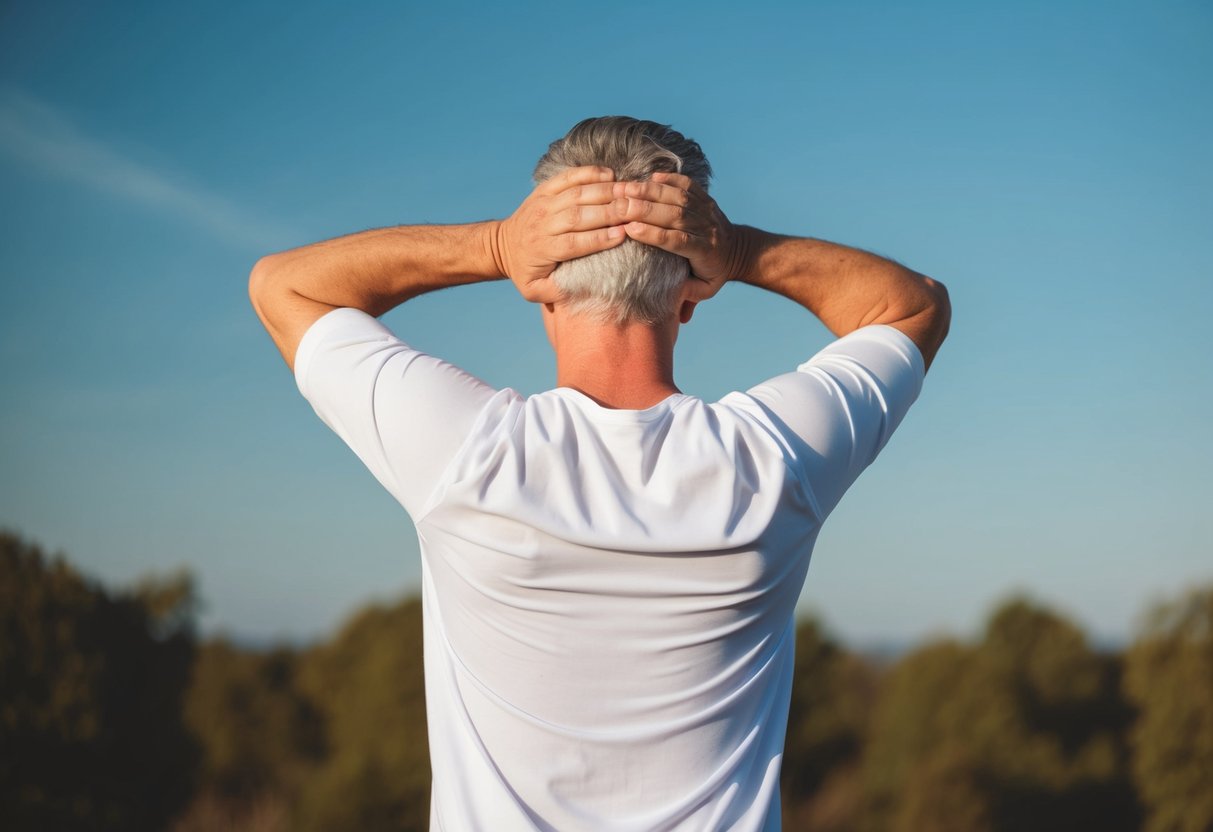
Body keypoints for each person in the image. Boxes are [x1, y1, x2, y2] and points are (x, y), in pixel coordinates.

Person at [249, 116, 950, 831]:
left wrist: (497, 245)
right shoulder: (770, 462)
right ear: (688, 298)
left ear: (543, 292)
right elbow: (912, 304)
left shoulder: (468, 456)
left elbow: (283, 286)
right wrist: (734, 249)